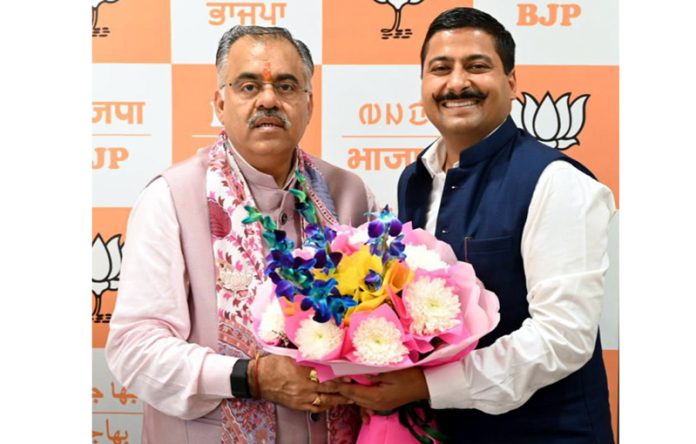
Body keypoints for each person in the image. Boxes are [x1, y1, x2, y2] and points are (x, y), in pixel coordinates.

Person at [336, 7, 616, 443]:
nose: (457, 82)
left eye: (478, 66)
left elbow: (562, 338)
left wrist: (427, 386)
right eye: (440, 69)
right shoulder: (415, 180)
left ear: (511, 82)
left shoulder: (557, 181)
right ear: (424, 84)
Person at [105, 25, 375, 444]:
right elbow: (135, 349)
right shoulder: (172, 198)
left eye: (286, 86)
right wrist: (249, 377)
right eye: (249, 85)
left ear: (309, 103)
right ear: (220, 102)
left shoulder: (348, 193)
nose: (268, 99)